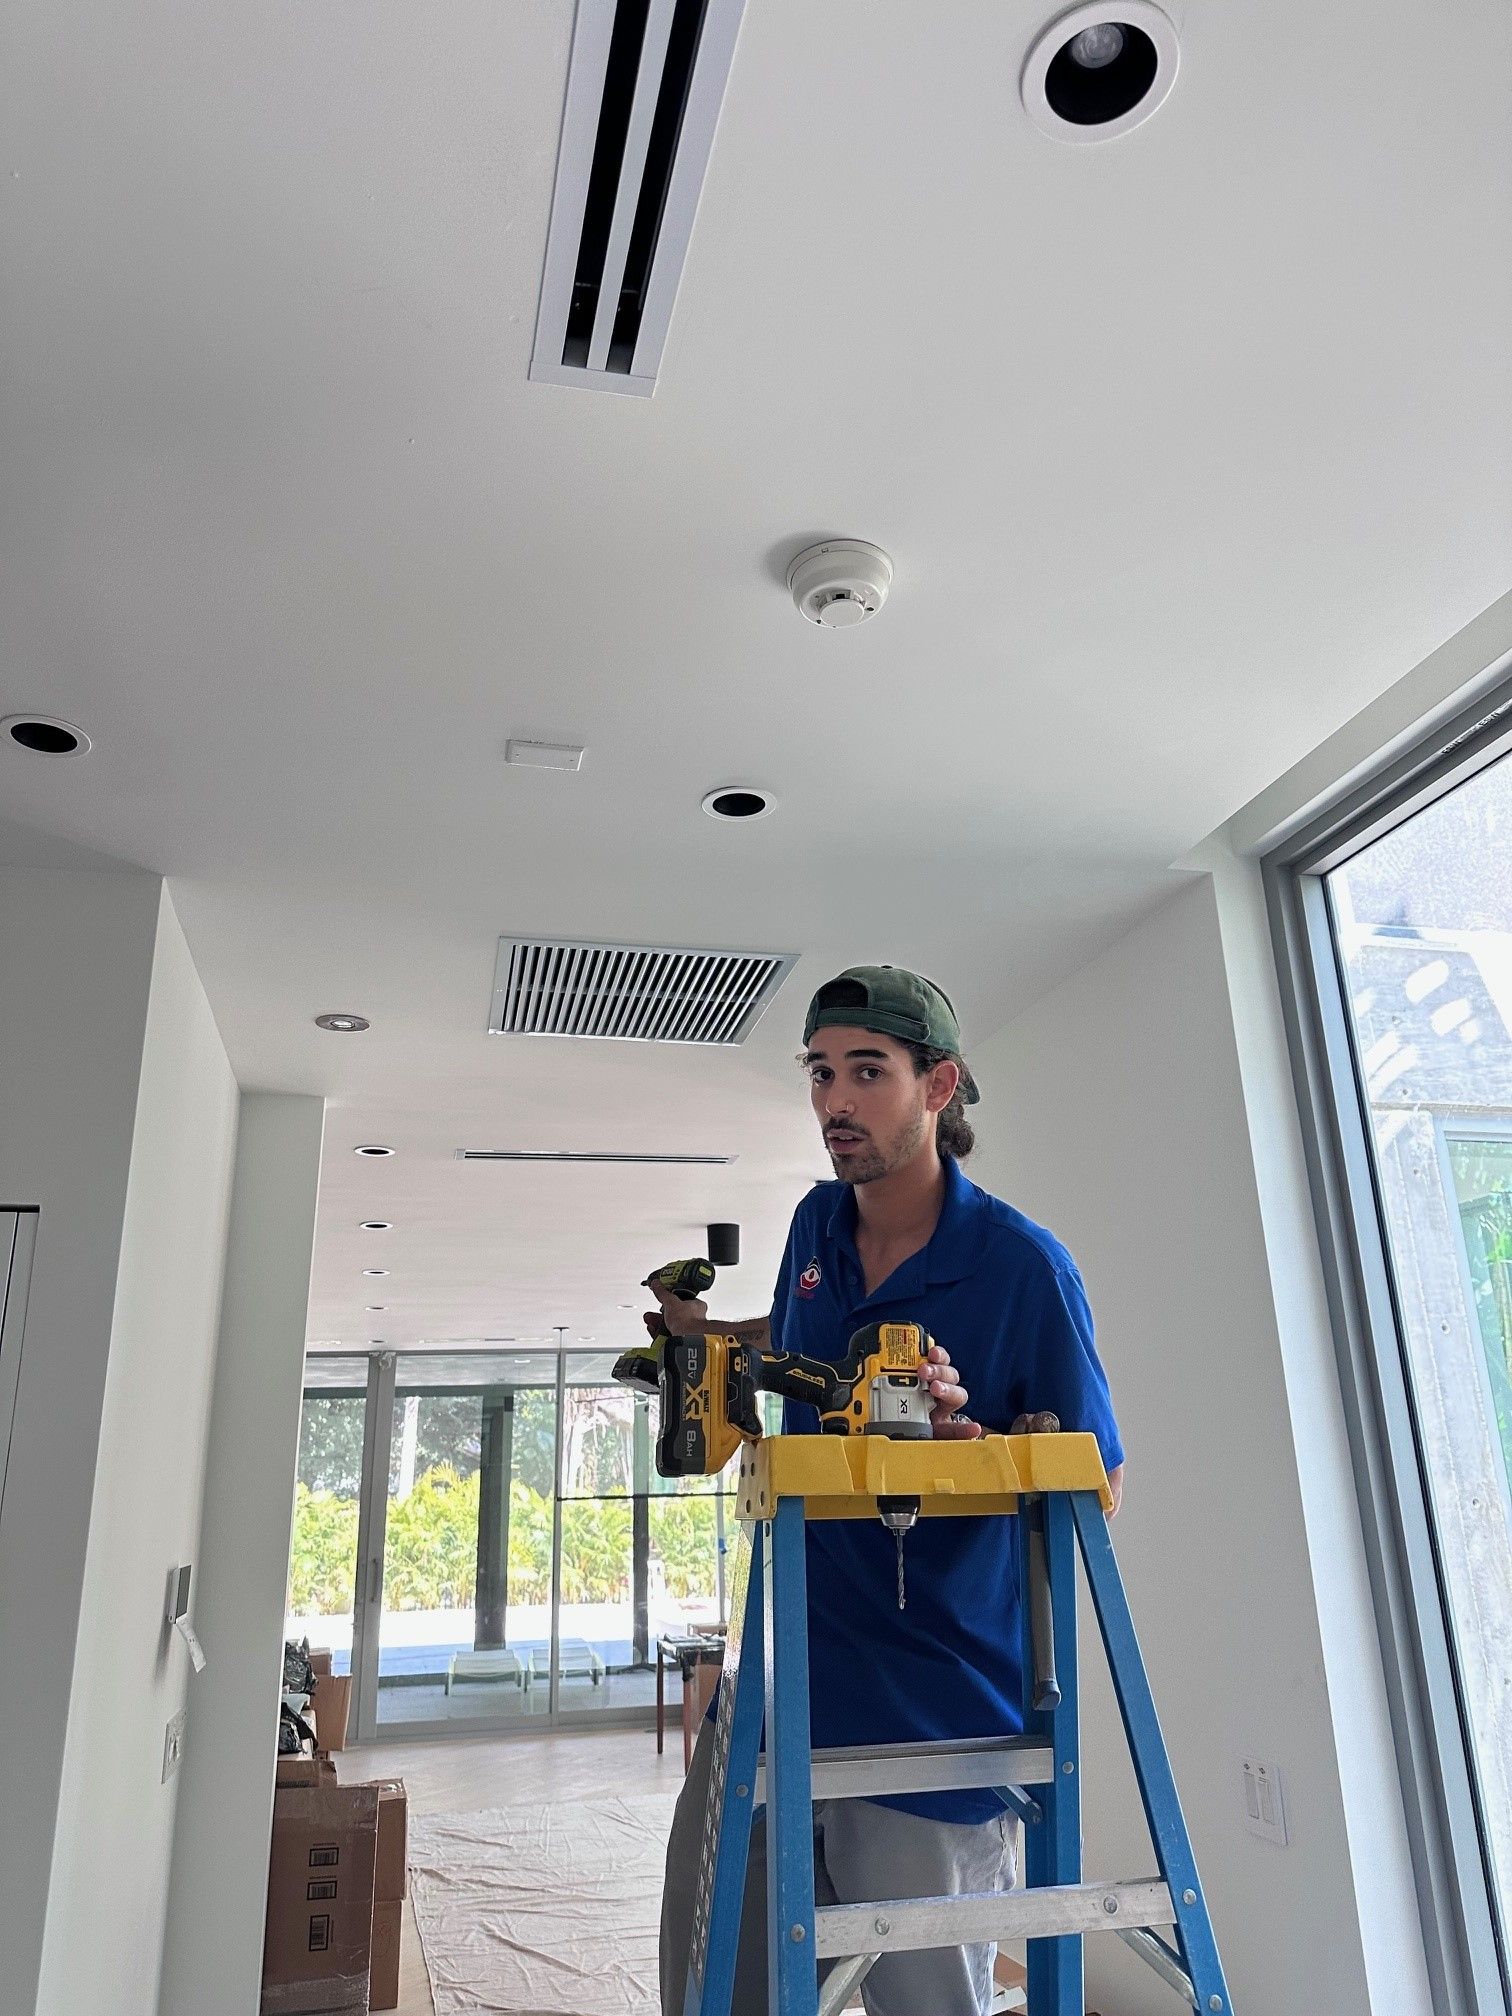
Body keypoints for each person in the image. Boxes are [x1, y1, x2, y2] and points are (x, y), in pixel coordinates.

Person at [654, 965, 1125, 2016]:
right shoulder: (815, 1229)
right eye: (821, 1073)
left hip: (935, 1721)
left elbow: (1101, 1494)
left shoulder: (1024, 1268)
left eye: (868, 1071)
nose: (835, 1101)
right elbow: (794, 1346)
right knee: (711, 1990)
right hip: (779, 1689)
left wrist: (974, 1449)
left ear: (940, 1085)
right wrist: (708, 1351)